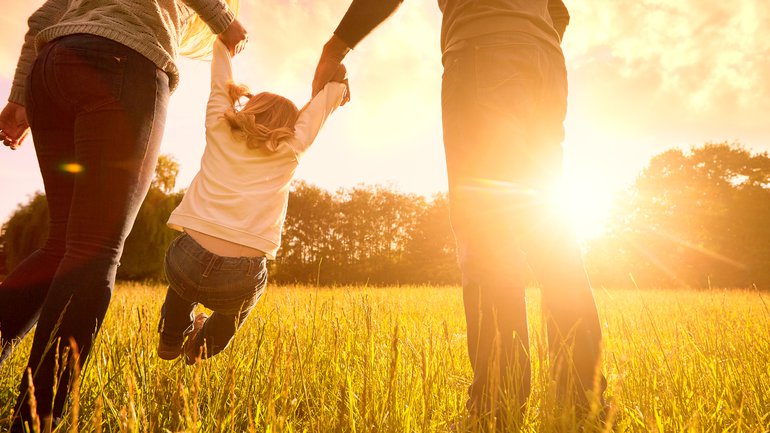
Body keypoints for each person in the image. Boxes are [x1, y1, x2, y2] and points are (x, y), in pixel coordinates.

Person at [311, 0, 605, 422]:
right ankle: (584, 401)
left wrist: (335, 47)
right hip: (544, 64)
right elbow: (559, 12)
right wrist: (524, 47)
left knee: (486, 234)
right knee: (549, 232)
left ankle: (495, 408)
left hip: (482, 56)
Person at [0, 0, 247, 430]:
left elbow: (40, 20)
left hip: (52, 66)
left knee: (62, 246)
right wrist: (226, 20)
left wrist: (19, 98)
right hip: (122, 65)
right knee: (94, 251)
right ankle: (35, 420)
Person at [156, 38, 348, 365]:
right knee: (236, 308)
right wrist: (337, 86)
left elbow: (220, 82)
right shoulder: (292, 147)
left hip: (187, 256)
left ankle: (172, 337)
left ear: (249, 108)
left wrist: (223, 43)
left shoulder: (219, 126)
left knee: (183, 283)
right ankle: (201, 348)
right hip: (240, 274)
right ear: (291, 127)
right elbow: (321, 107)